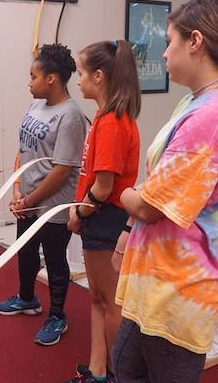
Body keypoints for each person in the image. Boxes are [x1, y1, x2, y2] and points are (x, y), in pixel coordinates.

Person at [114, 0, 218, 383]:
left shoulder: (213, 115)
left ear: (196, 42)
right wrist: (128, 228)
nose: (165, 53)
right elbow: (160, 185)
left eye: (170, 41)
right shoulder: (195, 103)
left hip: (179, 289)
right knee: (126, 366)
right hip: (160, 281)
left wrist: (123, 194)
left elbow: (152, 203)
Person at [0, 43, 88, 346]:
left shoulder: (71, 116)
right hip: (29, 199)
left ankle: (57, 316)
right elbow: (24, 148)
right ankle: (27, 299)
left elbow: (62, 170)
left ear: (52, 78)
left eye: (33, 75)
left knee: (54, 258)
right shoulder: (36, 105)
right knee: (25, 250)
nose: (29, 81)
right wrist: (18, 188)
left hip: (53, 205)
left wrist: (29, 201)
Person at [65, 40, 141, 383]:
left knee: (110, 302)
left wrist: (79, 215)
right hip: (100, 218)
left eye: (81, 73)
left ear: (99, 76)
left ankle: (116, 374)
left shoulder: (111, 121)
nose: (77, 80)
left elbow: (104, 187)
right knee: (97, 297)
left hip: (104, 218)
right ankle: (98, 371)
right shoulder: (105, 115)